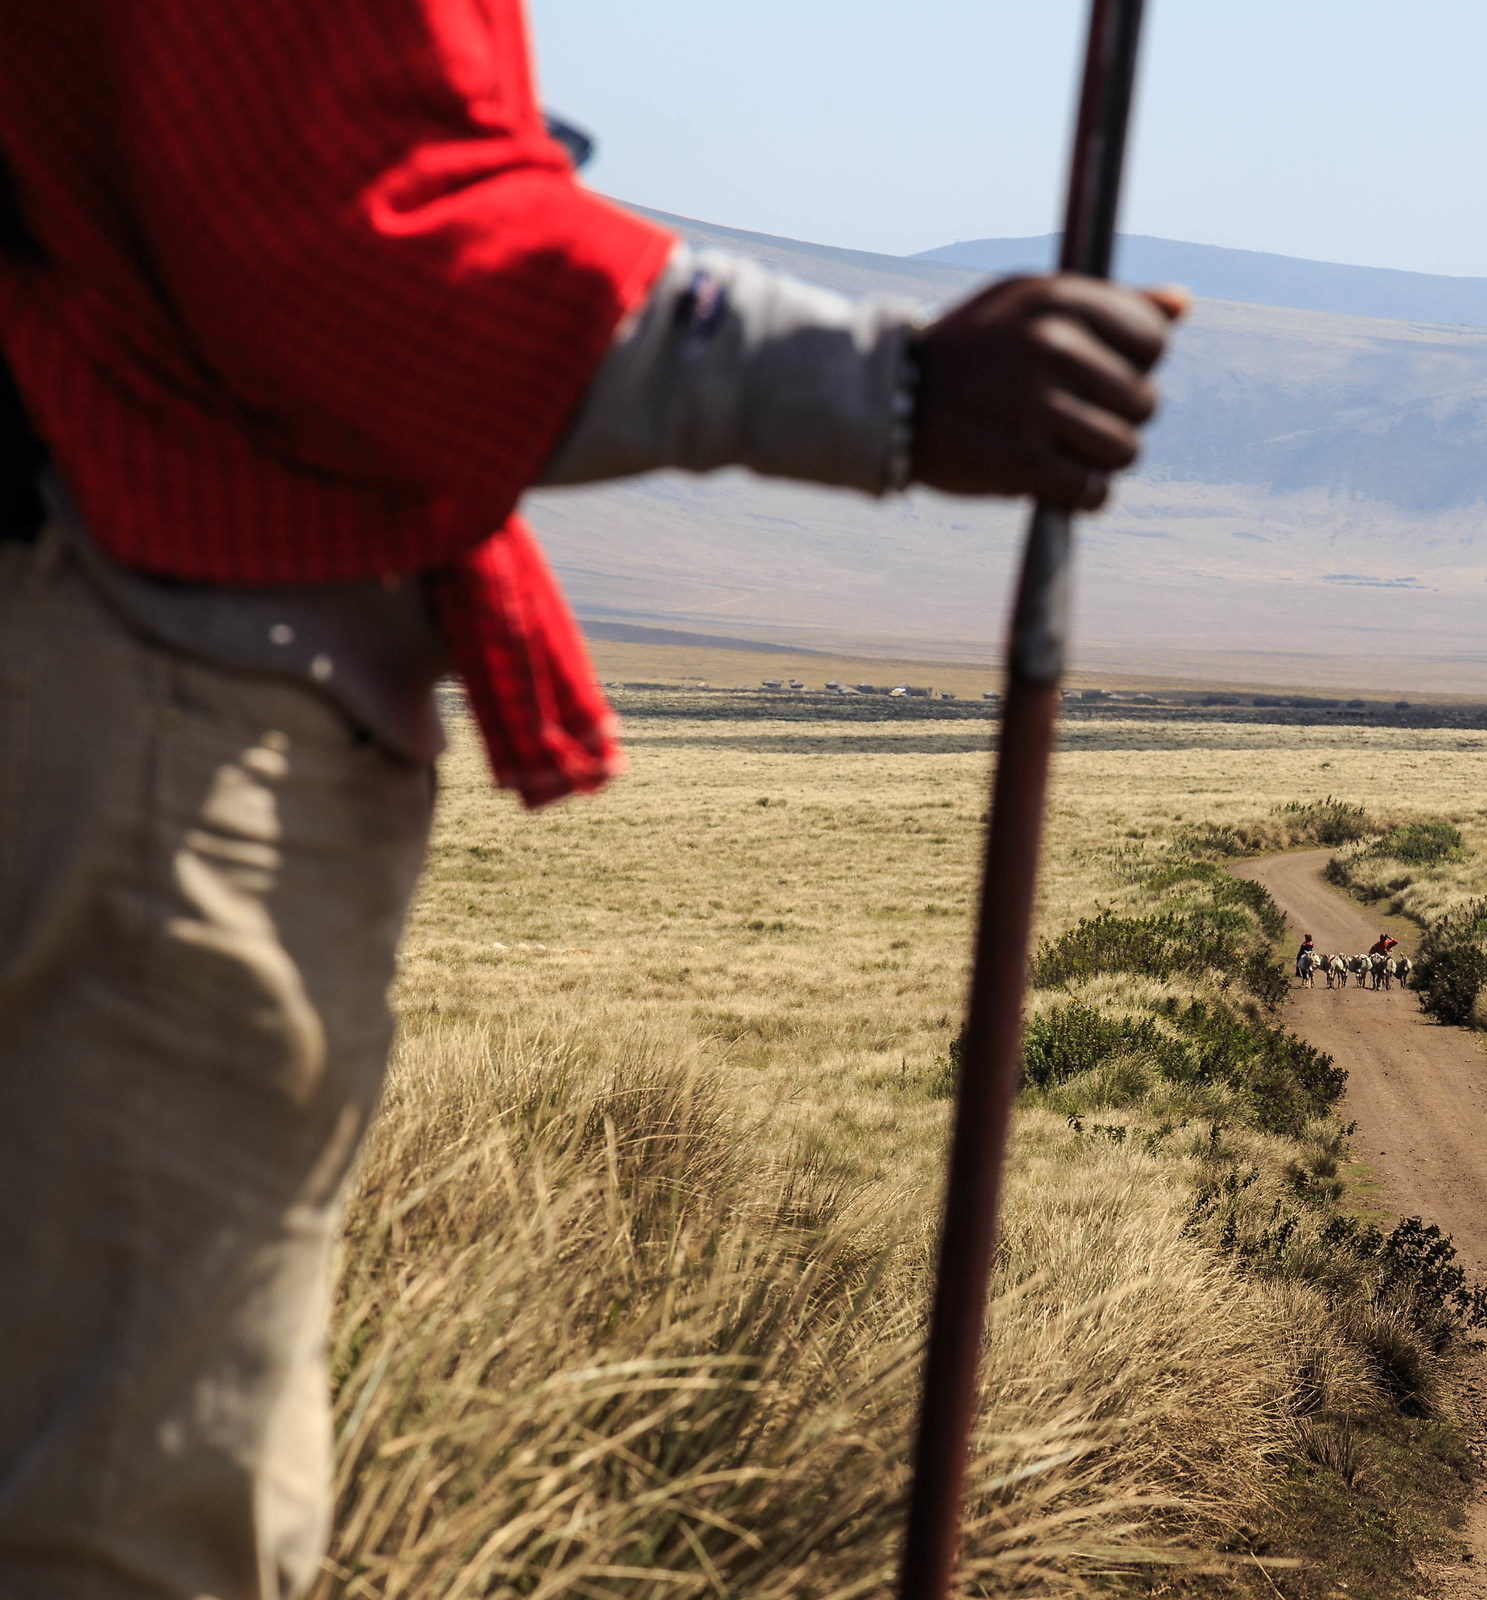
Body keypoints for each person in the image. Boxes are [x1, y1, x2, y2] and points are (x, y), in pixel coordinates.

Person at [0, 6, 1181, 1597]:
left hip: (128, 668)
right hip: (155, 687)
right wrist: (880, 388)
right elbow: (360, 223)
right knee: (128, 1508)